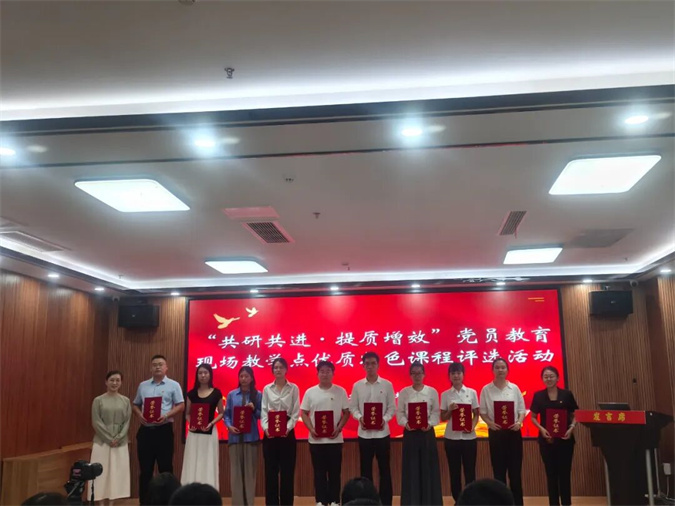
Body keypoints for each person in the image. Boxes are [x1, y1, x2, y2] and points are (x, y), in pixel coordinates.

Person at [132, 355, 185, 505]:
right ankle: (145, 503)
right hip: (145, 432)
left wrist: (166, 415)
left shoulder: (173, 385)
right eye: (154, 364)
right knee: (145, 471)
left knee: (166, 470)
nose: (157, 367)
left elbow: (181, 405)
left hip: (164, 432)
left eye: (160, 364)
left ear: (166, 367)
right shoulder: (143, 385)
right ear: (151, 368)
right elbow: (135, 404)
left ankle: (168, 502)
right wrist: (139, 415)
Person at [300, 360, 350, 506]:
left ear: (333, 374)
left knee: (335, 472)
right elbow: (304, 413)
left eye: (328, 371)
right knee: (319, 472)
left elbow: (346, 413)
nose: (325, 374)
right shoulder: (310, 392)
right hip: (316, 440)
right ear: (317, 374)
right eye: (322, 371)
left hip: (335, 439)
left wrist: (339, 428)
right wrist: (311, 429)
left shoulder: (340, 391)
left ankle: (335, 500)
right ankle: (320, 501)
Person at [348, 352, 395, 506]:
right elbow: (353, 407)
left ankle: (386, 502)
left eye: (373, 363)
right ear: (363, 366)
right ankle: (367, 502)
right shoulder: (357, 386)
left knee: (385, 470)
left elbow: (391, 408)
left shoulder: (387, 385)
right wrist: (360, 417)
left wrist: (384, 419)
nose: (370, 366)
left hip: (383, 434)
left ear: (378, 365)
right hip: (364, 435)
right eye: (367, 363)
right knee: (365, 471)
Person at [479, 358, 527, 506]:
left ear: (507, 370)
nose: (500, 370)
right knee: (499, 473)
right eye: (497, 367)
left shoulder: (514, 388)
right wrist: (490, 423)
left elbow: (521, 410)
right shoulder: (486, 389)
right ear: (492, 370)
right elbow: (483, 412)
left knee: (515, 474)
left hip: (513, 433)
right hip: (496, 433)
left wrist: (519, 422)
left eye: (503, 367)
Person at [530, 366, 579, 506]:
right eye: (546, 376)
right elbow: (533, 417)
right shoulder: (538, 396)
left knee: (565, 474)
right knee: (551, 474)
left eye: (551, 376)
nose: (549, 379)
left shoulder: (567, 394)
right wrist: (541, 429)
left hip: (565, 440)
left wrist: (571, 428)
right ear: (542, 379)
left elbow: (576, 414)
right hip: (547, 441)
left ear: (558, 378)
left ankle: (566, 503)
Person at [396, 361, 443, 506]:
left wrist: (430, 423)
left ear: (424, 374)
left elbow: (436, 413)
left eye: (419, 373)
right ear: (410, 375)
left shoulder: (432, 392)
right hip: (410, 434)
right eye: (414, 373)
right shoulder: (404, 392)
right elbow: (400, 413)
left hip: (427, 434)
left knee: (428, 468)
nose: (417, 376)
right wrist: (406, 423)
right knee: (412, 469)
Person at [261, 357, 300, 506]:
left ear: (286, 370)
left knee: (287, 473)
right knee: (270, 473)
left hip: (287, 434)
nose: (278, 370)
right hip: (270, 434)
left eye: (281, 367)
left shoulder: (293, 388)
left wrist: (287, 428)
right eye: (276, 367)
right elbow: (264, 411)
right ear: (272, 370)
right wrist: (266, 429)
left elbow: (295, 412)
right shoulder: (267, 389)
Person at [89, 370, 132, 502]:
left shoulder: (125, 401)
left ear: (121, 382)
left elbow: (127, 422)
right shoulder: (98, 400)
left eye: (117, 380)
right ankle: (100, 502)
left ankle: (112, 502)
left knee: (117, 473)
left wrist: (118, 438)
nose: (114, 383)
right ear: (106, 382)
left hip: (120, 443)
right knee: (100, 473)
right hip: (102, 442)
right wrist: (109, 439)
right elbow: (96, 421)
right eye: (112, 380)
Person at [440, 362, 480, 502]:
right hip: (452, 439)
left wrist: (472, 426)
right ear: (449, 376)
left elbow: (476, 414)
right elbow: (443, 417)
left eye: (458, 373)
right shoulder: (445, 394)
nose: (456, 376)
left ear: (463, 375)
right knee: (454, 472)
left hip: (469, 439)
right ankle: (457, 500)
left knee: (470, 472)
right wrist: (450, 410)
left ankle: (470, 501)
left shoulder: (472, 392)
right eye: (453, 373)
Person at [180, 363, 224, 490]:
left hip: (209, 433)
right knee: (192, 460)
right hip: (194, 434)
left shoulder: (216, 393)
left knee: (208, 461)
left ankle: (209, 491)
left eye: (205, 373)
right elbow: (187, 414)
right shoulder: (191, 393)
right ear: (197, 375)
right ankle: (190, 491)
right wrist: (190, 423)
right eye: (200, 373)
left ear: (210, 375)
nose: (203, 375)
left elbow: (221, 413)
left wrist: (211, 423)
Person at [224, 365, 263, 506]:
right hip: (234, 439)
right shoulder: (232, 395)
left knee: (249, 474)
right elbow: (227, 415)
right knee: (236, 474)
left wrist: (254, 409)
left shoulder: (257, 395)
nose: (244, 379)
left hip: (251, 438)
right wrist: (229, 426)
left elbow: (261, 415)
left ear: (252, 378)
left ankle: (249, 503)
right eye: (241, 376)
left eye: (247, 376)